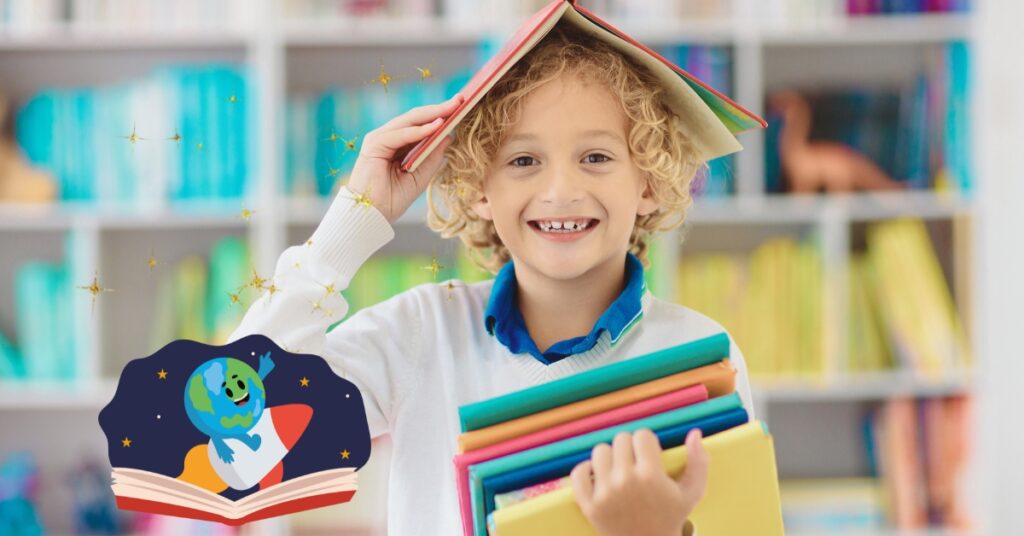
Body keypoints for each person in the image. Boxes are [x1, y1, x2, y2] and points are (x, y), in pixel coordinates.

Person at [229, 24, 754, 536]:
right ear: (480, 187)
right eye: (523, 160)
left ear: (648, 183)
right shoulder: (419, 334)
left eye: (596, 157)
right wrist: (355, 220)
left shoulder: (703, 356)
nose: (560, 190)